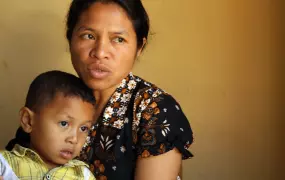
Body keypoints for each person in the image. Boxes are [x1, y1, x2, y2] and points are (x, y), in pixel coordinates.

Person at [6, 0, 194, 179]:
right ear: (70, 38)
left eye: (118, 39)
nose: (100, 52)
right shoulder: (54, 97)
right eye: (89, 35)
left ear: (139, 47)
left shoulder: (154, 111)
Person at [0, 71, 96, 179]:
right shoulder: (3, 165)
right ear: (28, 121)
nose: (74, 139)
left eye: (83, 128)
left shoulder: (84, 176)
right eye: (64, 123)